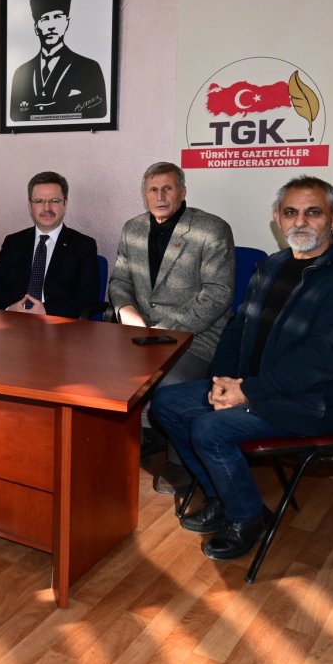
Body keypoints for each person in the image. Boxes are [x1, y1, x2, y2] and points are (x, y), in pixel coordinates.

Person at [151, 176, 333, 562]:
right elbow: (237, 329)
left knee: (209, 429)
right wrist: (221, 381)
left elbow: (325, 357)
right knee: (167, 403)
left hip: (311, 402)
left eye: (313, 212)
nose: (300, 222)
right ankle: (224, 498)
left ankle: (247, 519)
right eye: (291, 212)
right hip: (256, 388)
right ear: (277, 218)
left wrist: (248, 392)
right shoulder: (272, 266)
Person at [107, 162, 235, 493]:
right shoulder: (132, 228)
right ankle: (117, 447)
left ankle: (181, 463)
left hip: (193, 336)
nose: (160, 196)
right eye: (153, 189)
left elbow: (218, 295)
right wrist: (125, 310)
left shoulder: (211, 229)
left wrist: (163, 328)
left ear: (183, 192)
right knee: (98, 370)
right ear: (144, 194)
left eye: (168, 188)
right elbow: (119, 281)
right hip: (138, 333)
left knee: (170, 386)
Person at [0, 171, 99, 318]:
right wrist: (10, 307)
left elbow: (88, 296)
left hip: (58, 324)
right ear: (30, 206)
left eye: (54, 201)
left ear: (65, 204)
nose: (47, 208)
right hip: (14, 321)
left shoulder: (83, 245)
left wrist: (46, 310)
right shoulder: (13, 242)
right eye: (39, 201)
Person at [9, 0, 107, 122]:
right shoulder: (21, 73)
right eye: (45, 19)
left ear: (67, 22)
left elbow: (97, 112)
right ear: (36, 28)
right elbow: (16, 117)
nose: (51, 26)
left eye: (57, 17)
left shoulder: (89, 68)